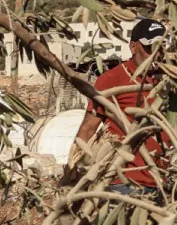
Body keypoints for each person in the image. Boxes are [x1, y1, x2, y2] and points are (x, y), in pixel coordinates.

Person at [66, 17, 169, 194]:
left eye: (161, 48)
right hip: (124, 182)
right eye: (150, 48)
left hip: (166, 181)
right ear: (133, 46)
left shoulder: (169, 80)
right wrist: (72, 173)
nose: (156, 54)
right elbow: (88, 129)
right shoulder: (111, 80)